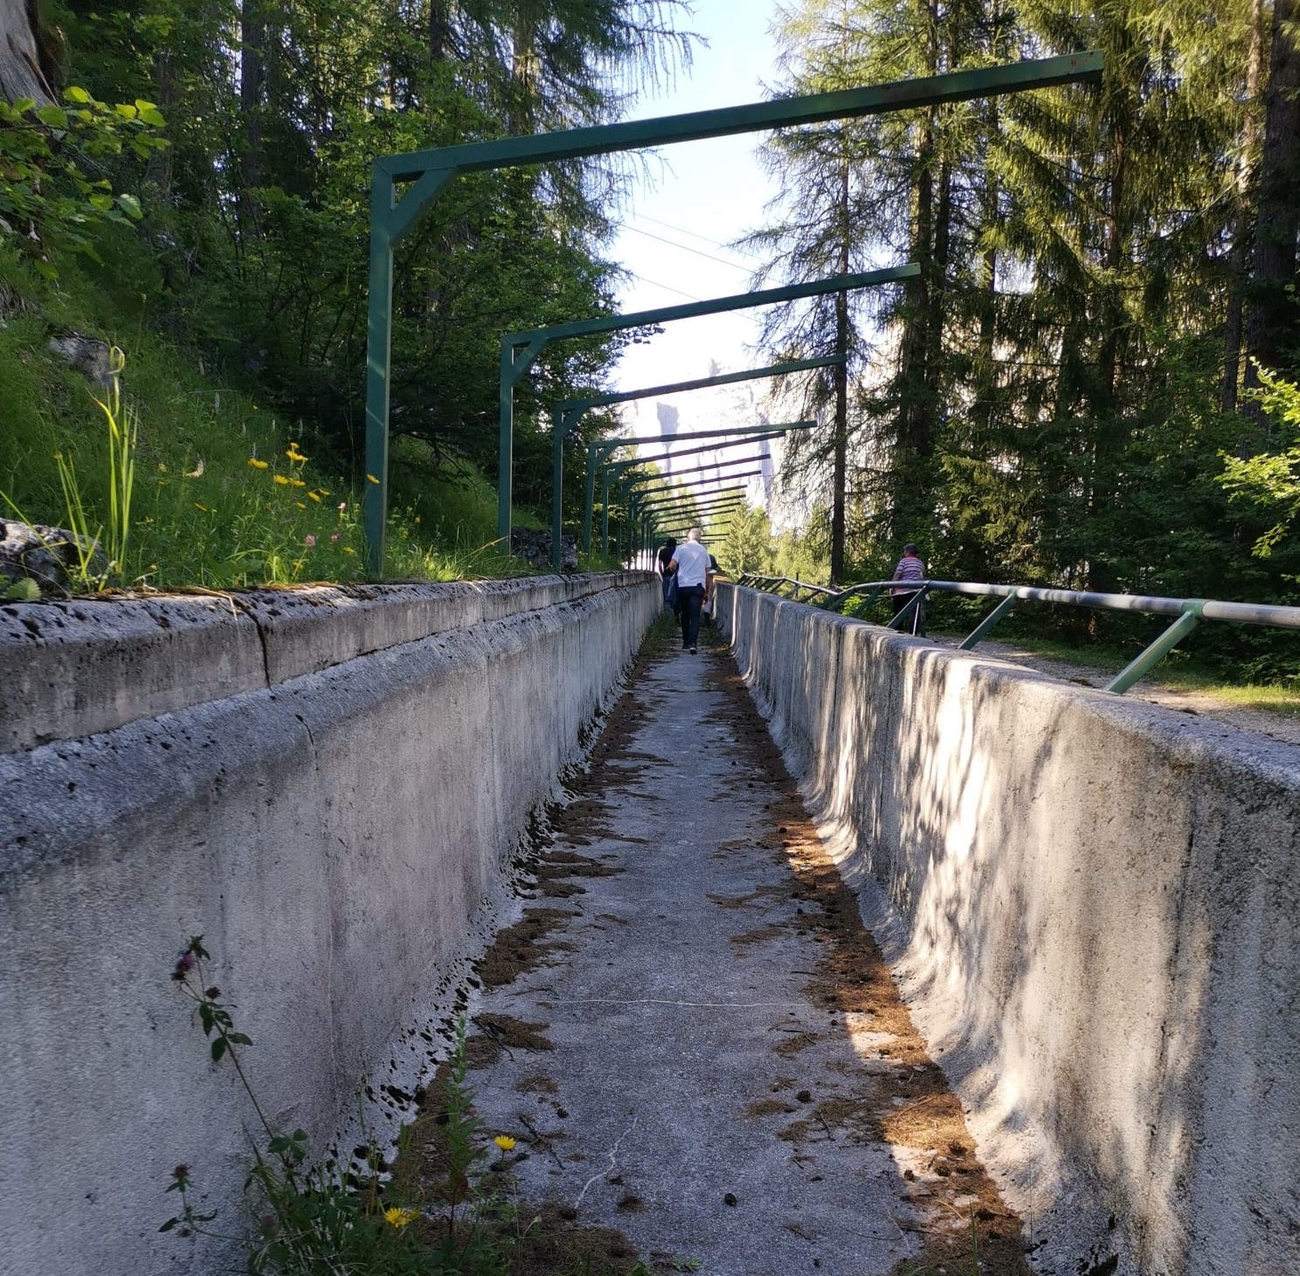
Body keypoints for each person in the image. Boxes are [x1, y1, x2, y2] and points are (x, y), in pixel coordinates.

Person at [668, 527, 710, 653]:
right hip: (698, 587)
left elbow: (672, 565)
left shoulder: (681, 548)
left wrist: (675, 571)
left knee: (685, 615)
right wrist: (707, 591)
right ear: (700, 539)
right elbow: (708, 572)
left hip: (683, 586)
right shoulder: (704, 551)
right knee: (695, 615)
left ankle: (685, 642)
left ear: (688, 538)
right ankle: (693, 644)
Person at [890, 542, 926, 636]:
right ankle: (913, 632)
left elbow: (898, 574)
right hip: (915, 591)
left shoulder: (904, 561)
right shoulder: (920, 563)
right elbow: (921, 576)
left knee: (898, 611)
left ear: (907, 552)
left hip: (901, 590)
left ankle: (897, 631)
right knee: (913, 613)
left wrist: (891, 586)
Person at [656, 537, 677, 611]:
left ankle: (668, 615)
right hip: (676, 576)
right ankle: (676, 612)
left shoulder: (662, 551)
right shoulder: (677, 551)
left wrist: (662, 574)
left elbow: (659, 564)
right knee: (675, 595)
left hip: (666, 575)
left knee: (666, 596)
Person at [701, 552, 720, 625]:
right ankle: (707, 612)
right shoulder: (711, 557)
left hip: (699, 578)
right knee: (709, 596)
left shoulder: (698, 557)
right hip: (709, 578)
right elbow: (715, 568)